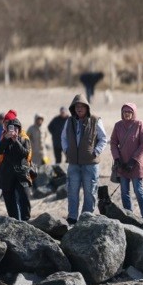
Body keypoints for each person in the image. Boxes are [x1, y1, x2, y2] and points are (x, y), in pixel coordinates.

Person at [61, 94, 108, 225]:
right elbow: (63, 138)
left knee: (90, 192)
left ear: (87, 108)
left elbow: (103, 139)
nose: (79, 109)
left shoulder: (95, 120)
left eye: (82, 106)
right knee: (72, 192)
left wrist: (96, 151)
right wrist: (66, 151)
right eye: (77, 106)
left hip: (90, 164)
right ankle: (72, 217)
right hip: (73, 164)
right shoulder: (69, 121)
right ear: (73, 108)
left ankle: (86, 217)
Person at [110, 103, 143, 218]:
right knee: (124, 192)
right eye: (125, 112)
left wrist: (134, 160)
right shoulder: (117, 125)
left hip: (137, 164)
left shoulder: (139, 124)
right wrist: (117, 159)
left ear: (133, 113)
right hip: (122, 164)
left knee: (138, 191)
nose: (127, 114)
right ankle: (129, 216)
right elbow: (113, 143)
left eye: (129, 112)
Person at [0, 116, 32, 221]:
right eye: (11, 128)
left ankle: (26, 221)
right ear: (7, 129)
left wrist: (16, 141)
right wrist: (6, 139)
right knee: (9, 199)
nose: (14, 130)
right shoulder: (5, 139)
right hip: (7, 174)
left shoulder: (24, 139)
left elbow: (25, 153)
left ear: (19, 129)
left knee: (24, 198)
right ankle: (13, 221)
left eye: (16, 128)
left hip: (21, 174)